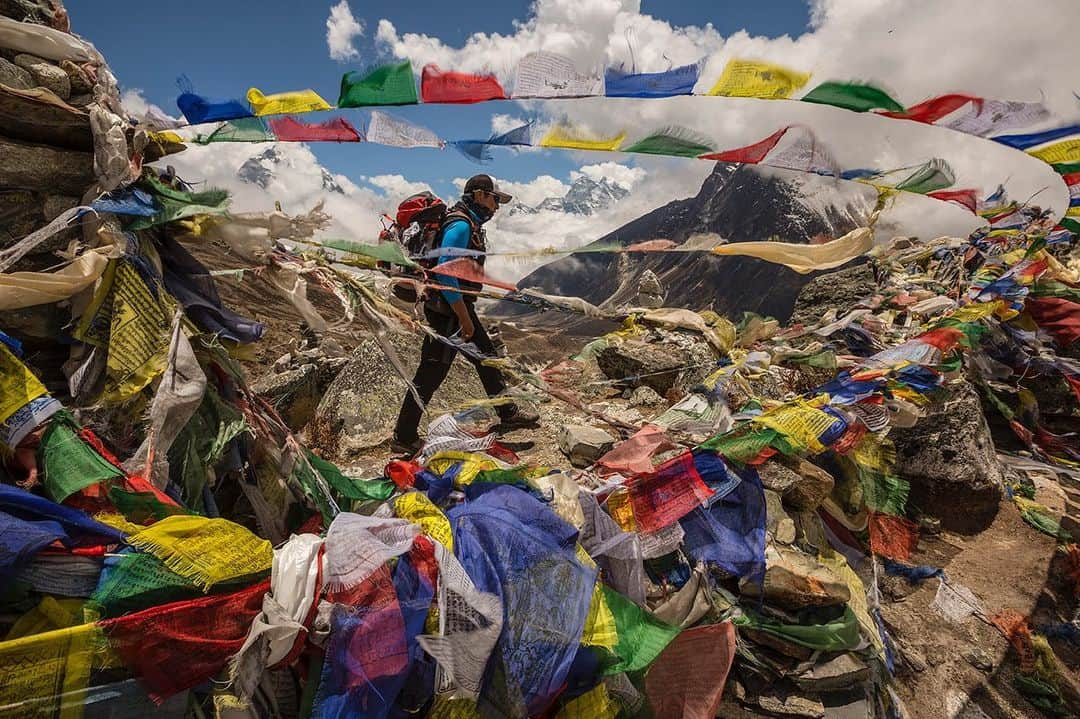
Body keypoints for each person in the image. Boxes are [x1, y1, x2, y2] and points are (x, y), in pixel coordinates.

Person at [391, 174, 539, 454]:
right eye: (495, 199)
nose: (496, 207)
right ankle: (403, 436)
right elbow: (446, 274)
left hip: (452, 307)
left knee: (487, 359)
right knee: (430, 374)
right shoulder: (460, 225)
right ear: (481, 195)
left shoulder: (466, 222)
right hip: (447, 311)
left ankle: (506, 411)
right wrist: (464, 316)